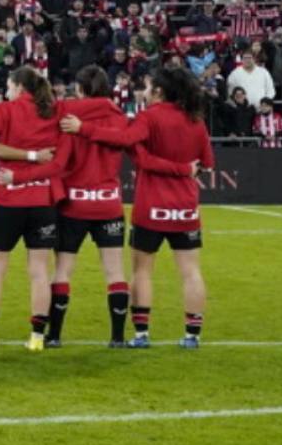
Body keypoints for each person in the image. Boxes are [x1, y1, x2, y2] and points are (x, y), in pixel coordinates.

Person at [70, 65, 213, 348]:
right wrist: (184, 169)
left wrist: (82, 128)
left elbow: (126, 143)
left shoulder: (149, 117)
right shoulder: (196, 120)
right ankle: (192, 336)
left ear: (159, 91)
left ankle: (141, 335)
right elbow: (206, 164)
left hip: (151, 207)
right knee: (191, 271)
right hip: (185, 207)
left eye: (147, 87)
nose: (143, 92)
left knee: (142, 271)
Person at [5, 65, 132, 347]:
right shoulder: (119, 117)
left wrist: (20, 175)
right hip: (109, 203)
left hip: (74, 205)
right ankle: (118, 338)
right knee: (115, 271)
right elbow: (125, 141)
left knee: (62, 270)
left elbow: (59, 163)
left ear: (81, 89)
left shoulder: (68, 117)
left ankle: (54, 336)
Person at [0, 67, 70, 353]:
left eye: (8, 84)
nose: (6, 89)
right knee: (39, 271)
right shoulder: (53, 112)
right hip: (42, 201)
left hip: (8, 200)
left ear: (19, 86)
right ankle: (36, 337)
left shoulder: (8, 110)